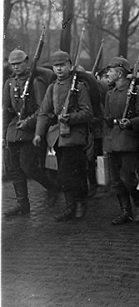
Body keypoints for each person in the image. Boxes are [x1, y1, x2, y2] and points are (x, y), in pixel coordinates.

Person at [33, 50, 94, 221]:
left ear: (69, 65)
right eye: (56, 66)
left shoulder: (79, 87)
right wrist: (38, 133)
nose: (59, 69)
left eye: (62, 65)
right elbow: (44, 112)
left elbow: (88, 113)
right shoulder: (52, 87)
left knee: (67, 174)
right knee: (70, 172)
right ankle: (73, 204)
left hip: (75, 137)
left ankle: (76, 203)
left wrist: (71, 118)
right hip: (57, 137)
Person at [3, 49, 60, 216]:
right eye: (13, 65)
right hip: (13, 131)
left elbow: (43, 109)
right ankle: (22, 204)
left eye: (19, 63)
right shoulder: (10, 83)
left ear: (26, 62)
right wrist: (3, 134)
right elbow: (7, 111)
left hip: (31, 131)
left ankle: (53, 187)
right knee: (14, 169)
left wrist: (28, 123)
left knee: (29, 167)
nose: (15, 67)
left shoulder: (36, 81)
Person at [102, 57, 139, 225]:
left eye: (110, 70)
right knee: (115, 180)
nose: (108, 73)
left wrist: (130, 122)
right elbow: (107, 119)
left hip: (128, 140)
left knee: (127, 177)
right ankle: (125, 211)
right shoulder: (110, 93)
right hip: (112, 140)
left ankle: (138, 202)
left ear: (120, 72)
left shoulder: (136, 91)